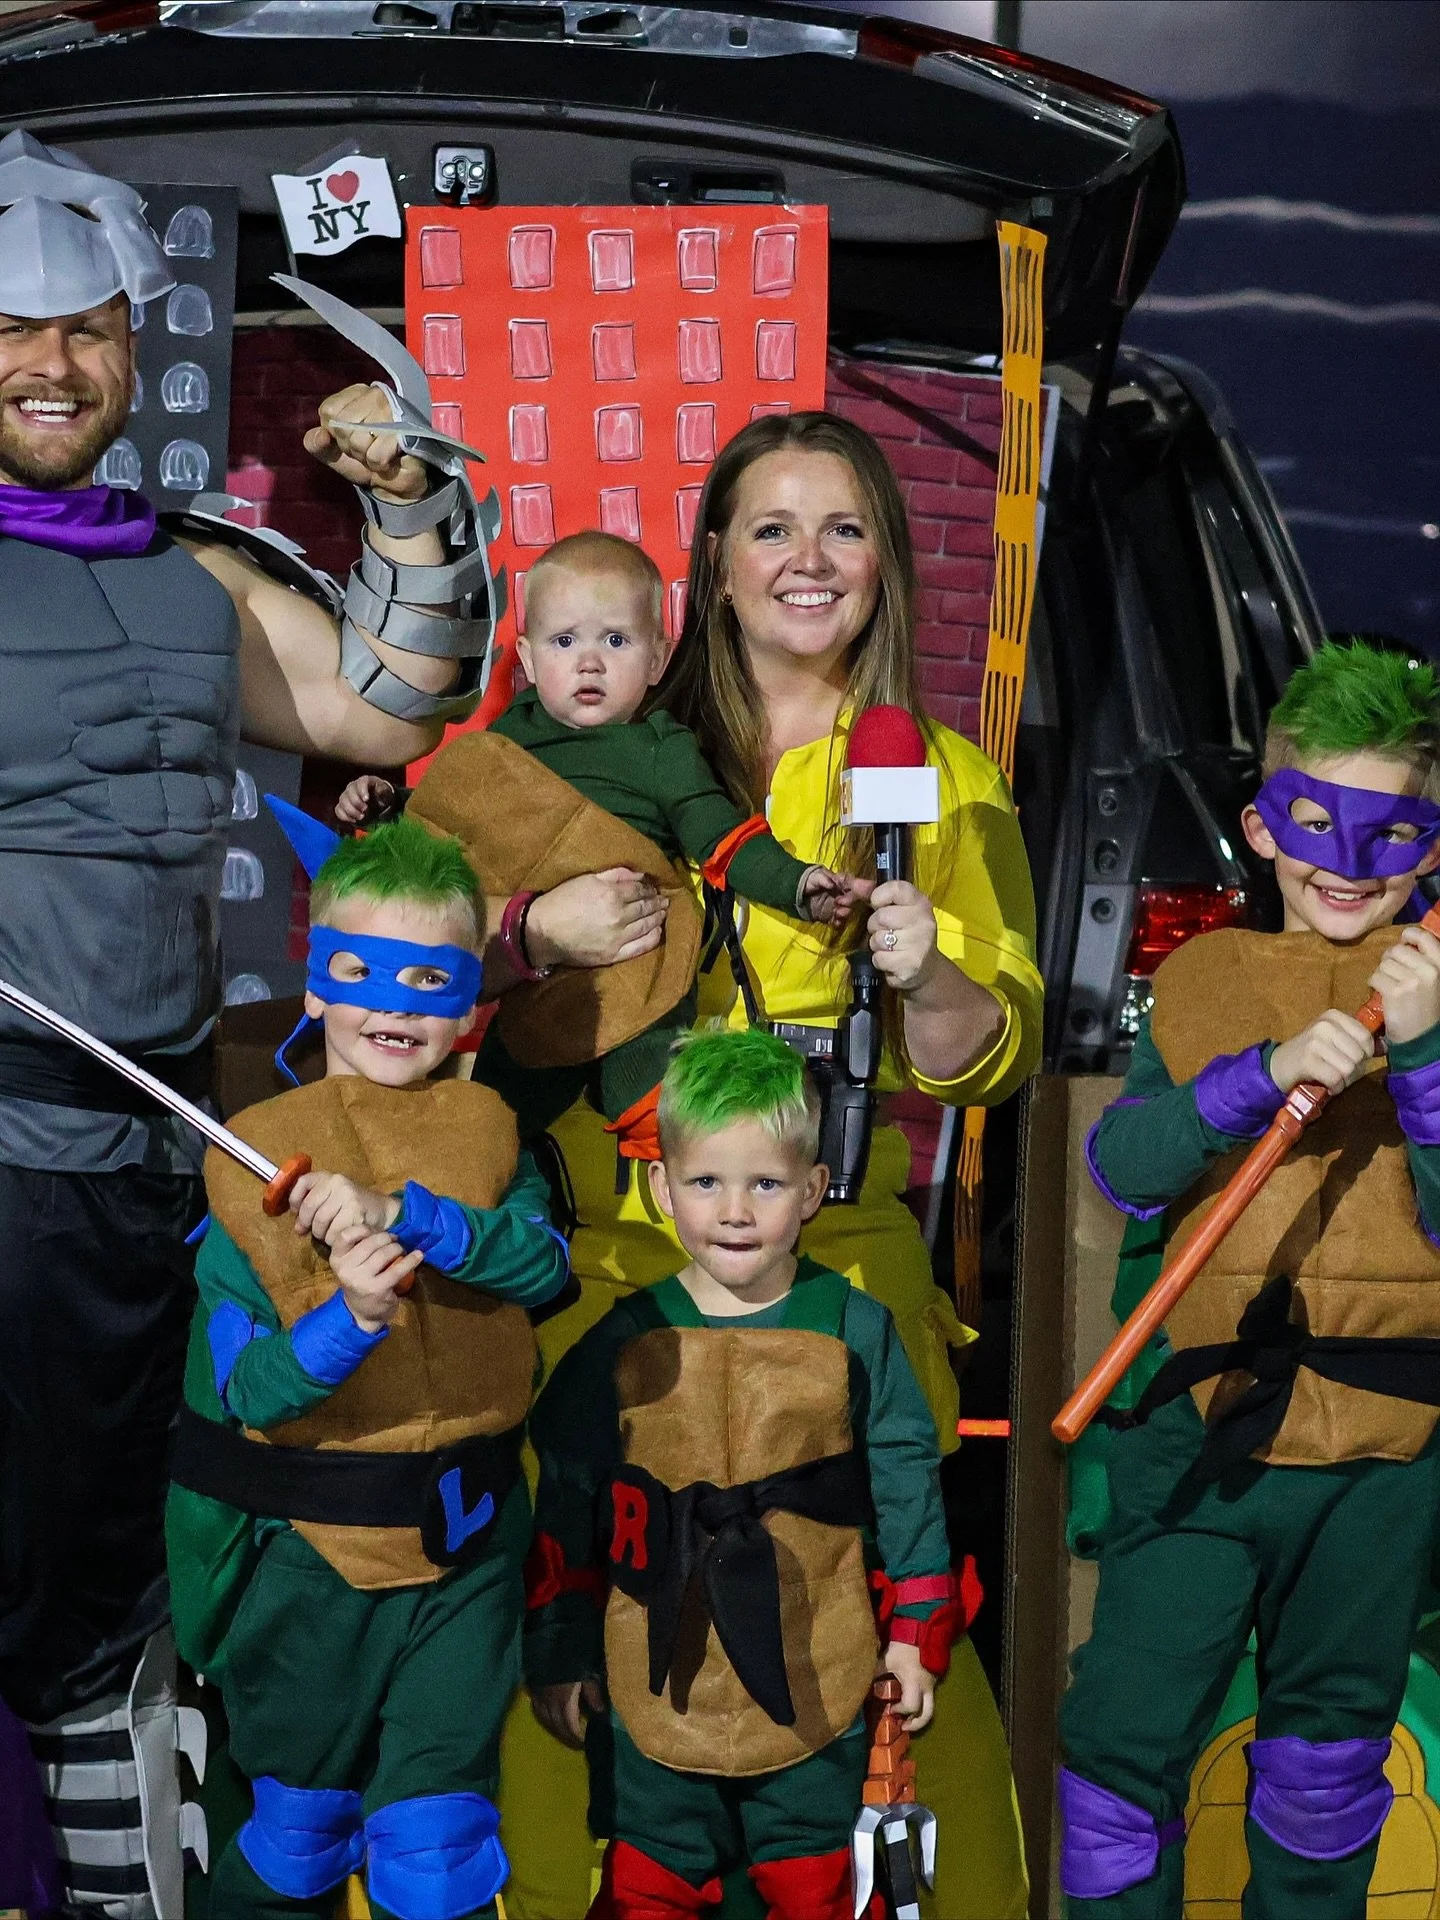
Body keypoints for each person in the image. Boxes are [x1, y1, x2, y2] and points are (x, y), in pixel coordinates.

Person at [0, 126, 528, 1917]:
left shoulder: (194, 571)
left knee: (114, 1607)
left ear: (132, 346)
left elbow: (385, 710)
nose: (49, 363)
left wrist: (405, 504)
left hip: (149, 1171)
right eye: (10, 327)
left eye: (83, 329)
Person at [497, 411, 1043, 1920]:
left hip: (839, 1276)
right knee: (584, 1639)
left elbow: (987, 1052)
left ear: (887, 565)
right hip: (611, 1276)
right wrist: (527, 938)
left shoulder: (934, 776)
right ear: (716, 571)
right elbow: (429, 955)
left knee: (879, 1641)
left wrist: (924, 967)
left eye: (845, 527)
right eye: (771, 530)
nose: (810, 561)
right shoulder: (592, 742)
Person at [1060, 640, 1440, 1918]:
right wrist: (1254, 1077)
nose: (1347, 860)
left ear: (1433, 843)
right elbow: (1122, 1171)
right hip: (1203, 1434)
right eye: (1316, 821)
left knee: (1329, 1762)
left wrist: (1427, 1066)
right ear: (1260, 828)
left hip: (1388, 1454)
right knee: (1115, 1767)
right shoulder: (1202, 978)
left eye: (1391, 832)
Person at [165, 817, 570, 1920]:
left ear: (466, 1000)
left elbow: (542, 1267)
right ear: (316, 988)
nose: (396, 1008)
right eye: (366, 973)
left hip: (469, 1550)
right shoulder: (248, 1155)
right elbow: (249, 1391)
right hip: (312, 1565)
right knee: (295, 1835)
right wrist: (349, 1315)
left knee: (438, 1847)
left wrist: (417, 1216)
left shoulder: (494, 1136)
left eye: (430, 979)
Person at [525, 1027, 955, 1920]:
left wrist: (916, 1635)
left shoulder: (856, 1327)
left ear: (810, 1189)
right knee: (651, 1881)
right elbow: (569, 1501)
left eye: (764, 1183)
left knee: (813, 1882)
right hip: (654, 1672)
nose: (734, 1211)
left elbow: (906, 1478)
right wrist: (561, 1651)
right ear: (660, 1187)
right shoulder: (622, 1339)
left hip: (816, 1665)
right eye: (706, 1182)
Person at [337, 529, 857, 1152]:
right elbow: (443, 834)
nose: (590, 662)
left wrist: (798, 884)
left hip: (639, 962)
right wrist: (383, 813)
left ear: (658, 661)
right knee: (486, 1131)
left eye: (615, 640)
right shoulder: (504, 745)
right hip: (535, 988)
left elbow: (725, 841)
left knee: (668, 1114)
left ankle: (683, 1181)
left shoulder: (662, 750)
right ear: (526, 660)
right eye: (564, 641)